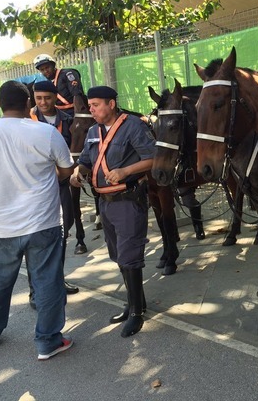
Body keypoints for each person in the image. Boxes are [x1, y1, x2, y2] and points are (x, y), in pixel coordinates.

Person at [0, 80, 75, 360]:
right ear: (28, 104)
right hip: (43, 224)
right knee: (48, 282)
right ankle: (48, 341)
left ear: (0, 105)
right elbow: (67, 170)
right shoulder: (46, 133)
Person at [70, 86, 155, 337]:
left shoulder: (133, 125)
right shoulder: (93, 131)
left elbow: (153, 157)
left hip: (128, 200)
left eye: (96, 104)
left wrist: (126, 171)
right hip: (105, 202)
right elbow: (86, 159)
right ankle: (133, 302)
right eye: (90, 105)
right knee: (118, 254)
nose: (91, 109)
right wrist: (78, 172)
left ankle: (137, 312)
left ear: (111, 104)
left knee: (130, 256)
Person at [29, 81, 87, 304]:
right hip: (38, 188)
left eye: (47, 98)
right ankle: (35, 290)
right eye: (39, 98)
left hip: (64, 183)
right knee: (37, 238)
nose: (43, 102)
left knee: (63, 231)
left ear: (55, 97)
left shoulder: (67, 120)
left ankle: (57, 281)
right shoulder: (28, 121)